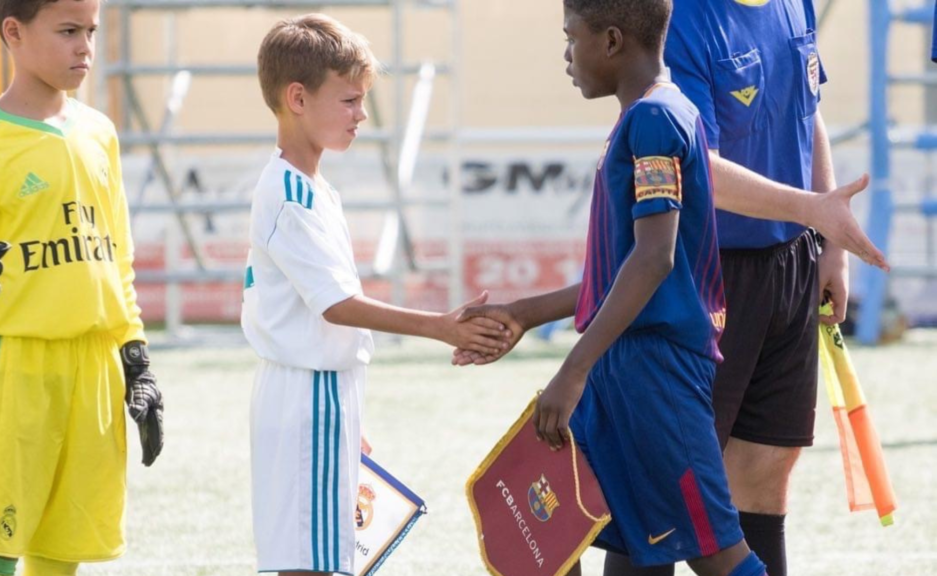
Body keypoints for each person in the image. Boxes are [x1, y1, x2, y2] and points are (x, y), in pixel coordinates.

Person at [466, 1, 765, 573]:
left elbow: (654, 259)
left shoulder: (655, 119)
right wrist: (527, 312)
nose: (566, 54)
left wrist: (572, 369)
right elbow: (624, 267)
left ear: (610, 41)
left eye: (570, 37)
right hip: (623, 366)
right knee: (594, 539)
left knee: (715, 554)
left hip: (656, 373)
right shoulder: (644, 116)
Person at [243, 14, 510, 576]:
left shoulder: (311, 188)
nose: (361, 114)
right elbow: (335, 304)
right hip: (309, 393)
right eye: (349, 100)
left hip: (317, 394)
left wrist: (348, 419)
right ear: (297, 98)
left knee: (311, 557)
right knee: (313, 564)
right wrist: (441, 326)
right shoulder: (291, 194)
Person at [599, 2, 842, 574]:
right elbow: (698, 167)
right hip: (707, 276)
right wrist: (814, 209)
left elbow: (808, 110)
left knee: (765, 472)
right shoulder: (682, 18)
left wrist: (829, 238)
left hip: (791, 264)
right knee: (661, 487)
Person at [0, 1, 163, 574]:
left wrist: (136, 360)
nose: (86, 46)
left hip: (94, 365)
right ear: (14, 31)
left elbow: (117, 259)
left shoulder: (100, 133)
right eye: (68, 30)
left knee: (62, 551)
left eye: (92, 30)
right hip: (14, 368)